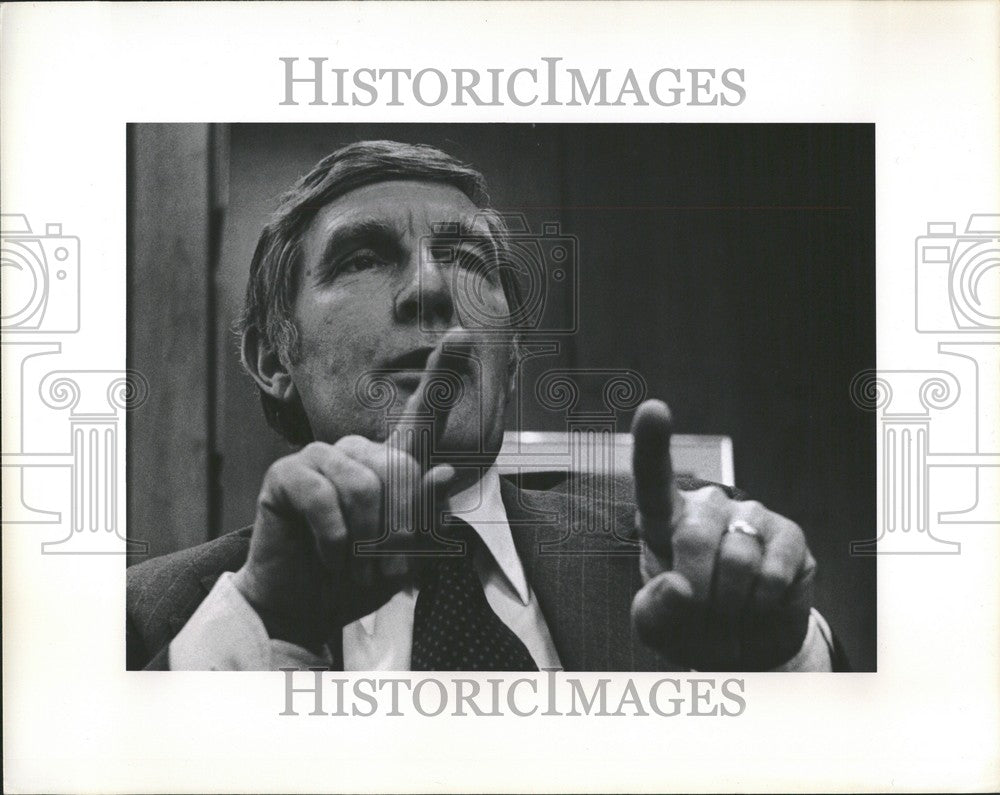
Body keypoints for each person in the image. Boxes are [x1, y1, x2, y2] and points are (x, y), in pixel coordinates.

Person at [126, 140, 847, 672]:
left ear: (511, 352)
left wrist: (779, 663)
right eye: (362, 258)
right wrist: (265, 624)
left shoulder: (686, 561)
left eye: (469, 260)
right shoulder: (152, 621)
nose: (432, 291)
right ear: (272, 359)